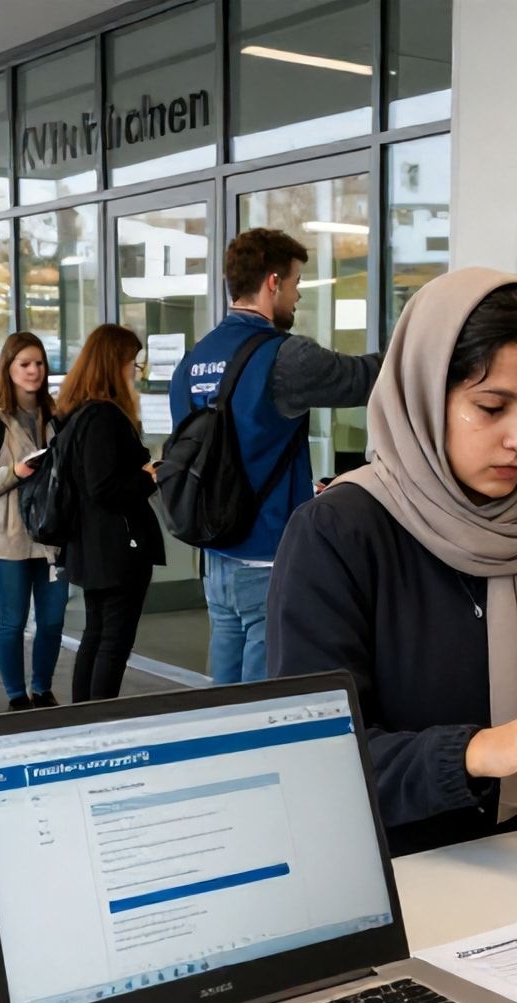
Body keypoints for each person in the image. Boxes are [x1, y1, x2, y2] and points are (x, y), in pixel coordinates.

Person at [268, 268, 517, 857]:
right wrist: (478, 752)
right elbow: (315, 752)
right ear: (425, 392)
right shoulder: (340, 531)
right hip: (409, 878)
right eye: (492, 406)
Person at [175, 228, 383, 685]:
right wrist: (422, 345)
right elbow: (364, 377)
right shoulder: (284, 358)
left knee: (221, 696)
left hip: (215, 556)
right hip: (267, 557)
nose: (296, 297)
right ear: (272, 282)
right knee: (261, 701)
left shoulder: (193, 361)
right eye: (295, 284)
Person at [58, 324, 164, 704]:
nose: (136, 372)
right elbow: (103, 487)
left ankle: (84, 718)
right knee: (112, 641)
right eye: (133, 364)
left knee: (97, 633)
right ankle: (99, 722)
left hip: (91, 545)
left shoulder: (77, 412)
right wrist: (148, 476)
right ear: (114, 364)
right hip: (115, 548)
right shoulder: (104, 416)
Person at [0, 332, 65, 711]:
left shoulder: (56, 416)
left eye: (39, 364)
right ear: (8, 368)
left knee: (53, 620)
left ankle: (43, 689)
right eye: (25, 364)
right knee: (13, 620)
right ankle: (16, 695)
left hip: (52, 536)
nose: (34, 371)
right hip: (5, 537)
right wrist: (16, 472)